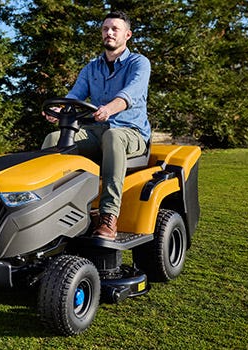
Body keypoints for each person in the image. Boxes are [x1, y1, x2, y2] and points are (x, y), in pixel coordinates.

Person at [41, 11, 151, 241]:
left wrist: (109, 109)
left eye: (115, 29)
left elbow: (129, 94)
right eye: (105, 29)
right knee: (54, 139)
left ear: (127, 35)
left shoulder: (139, 63)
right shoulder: (91, 68)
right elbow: (74, 96)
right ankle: (48, 210)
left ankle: (108, 215)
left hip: (131, 132)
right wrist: (59, 111)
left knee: (113, 136)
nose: (109, 33)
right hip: (96, 132)